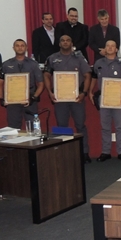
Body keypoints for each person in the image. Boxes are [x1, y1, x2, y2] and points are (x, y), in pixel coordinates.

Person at [43, 35, 92, 163]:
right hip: (60, 99)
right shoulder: (52, 58)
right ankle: (64, 154)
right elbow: (47, 75)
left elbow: (87, 75)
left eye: (68, 40)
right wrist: (50, 92)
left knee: (80, 125)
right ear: (59, 44)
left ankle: (84, 152)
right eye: (63, 41)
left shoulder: (79, 58)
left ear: (72, 43)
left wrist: (84, 93)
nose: (65, 42)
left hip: (77, 98)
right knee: (62, 125)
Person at [89, 40, 121, 162]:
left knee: (119, 126)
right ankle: (105, 152)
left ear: (116, 49)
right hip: (104, 100)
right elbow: (93, 77)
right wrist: (90, 91)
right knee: (105, 127)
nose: (109, 48)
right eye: (107, 46)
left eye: (112, 46)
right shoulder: (99, 63)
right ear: (105, 48)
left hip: (119, 100)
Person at [0, 39, 44, 129]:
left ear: (26, 48)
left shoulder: (33, 64)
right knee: (13, 128)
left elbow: (41, 84)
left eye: (22, 45)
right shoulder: (6, 65)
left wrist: (34, 98)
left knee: (33, 128)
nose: (20, 47)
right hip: (12, 100)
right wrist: (1, 98)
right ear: (13, 48)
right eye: (17, 45)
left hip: (30, 100)